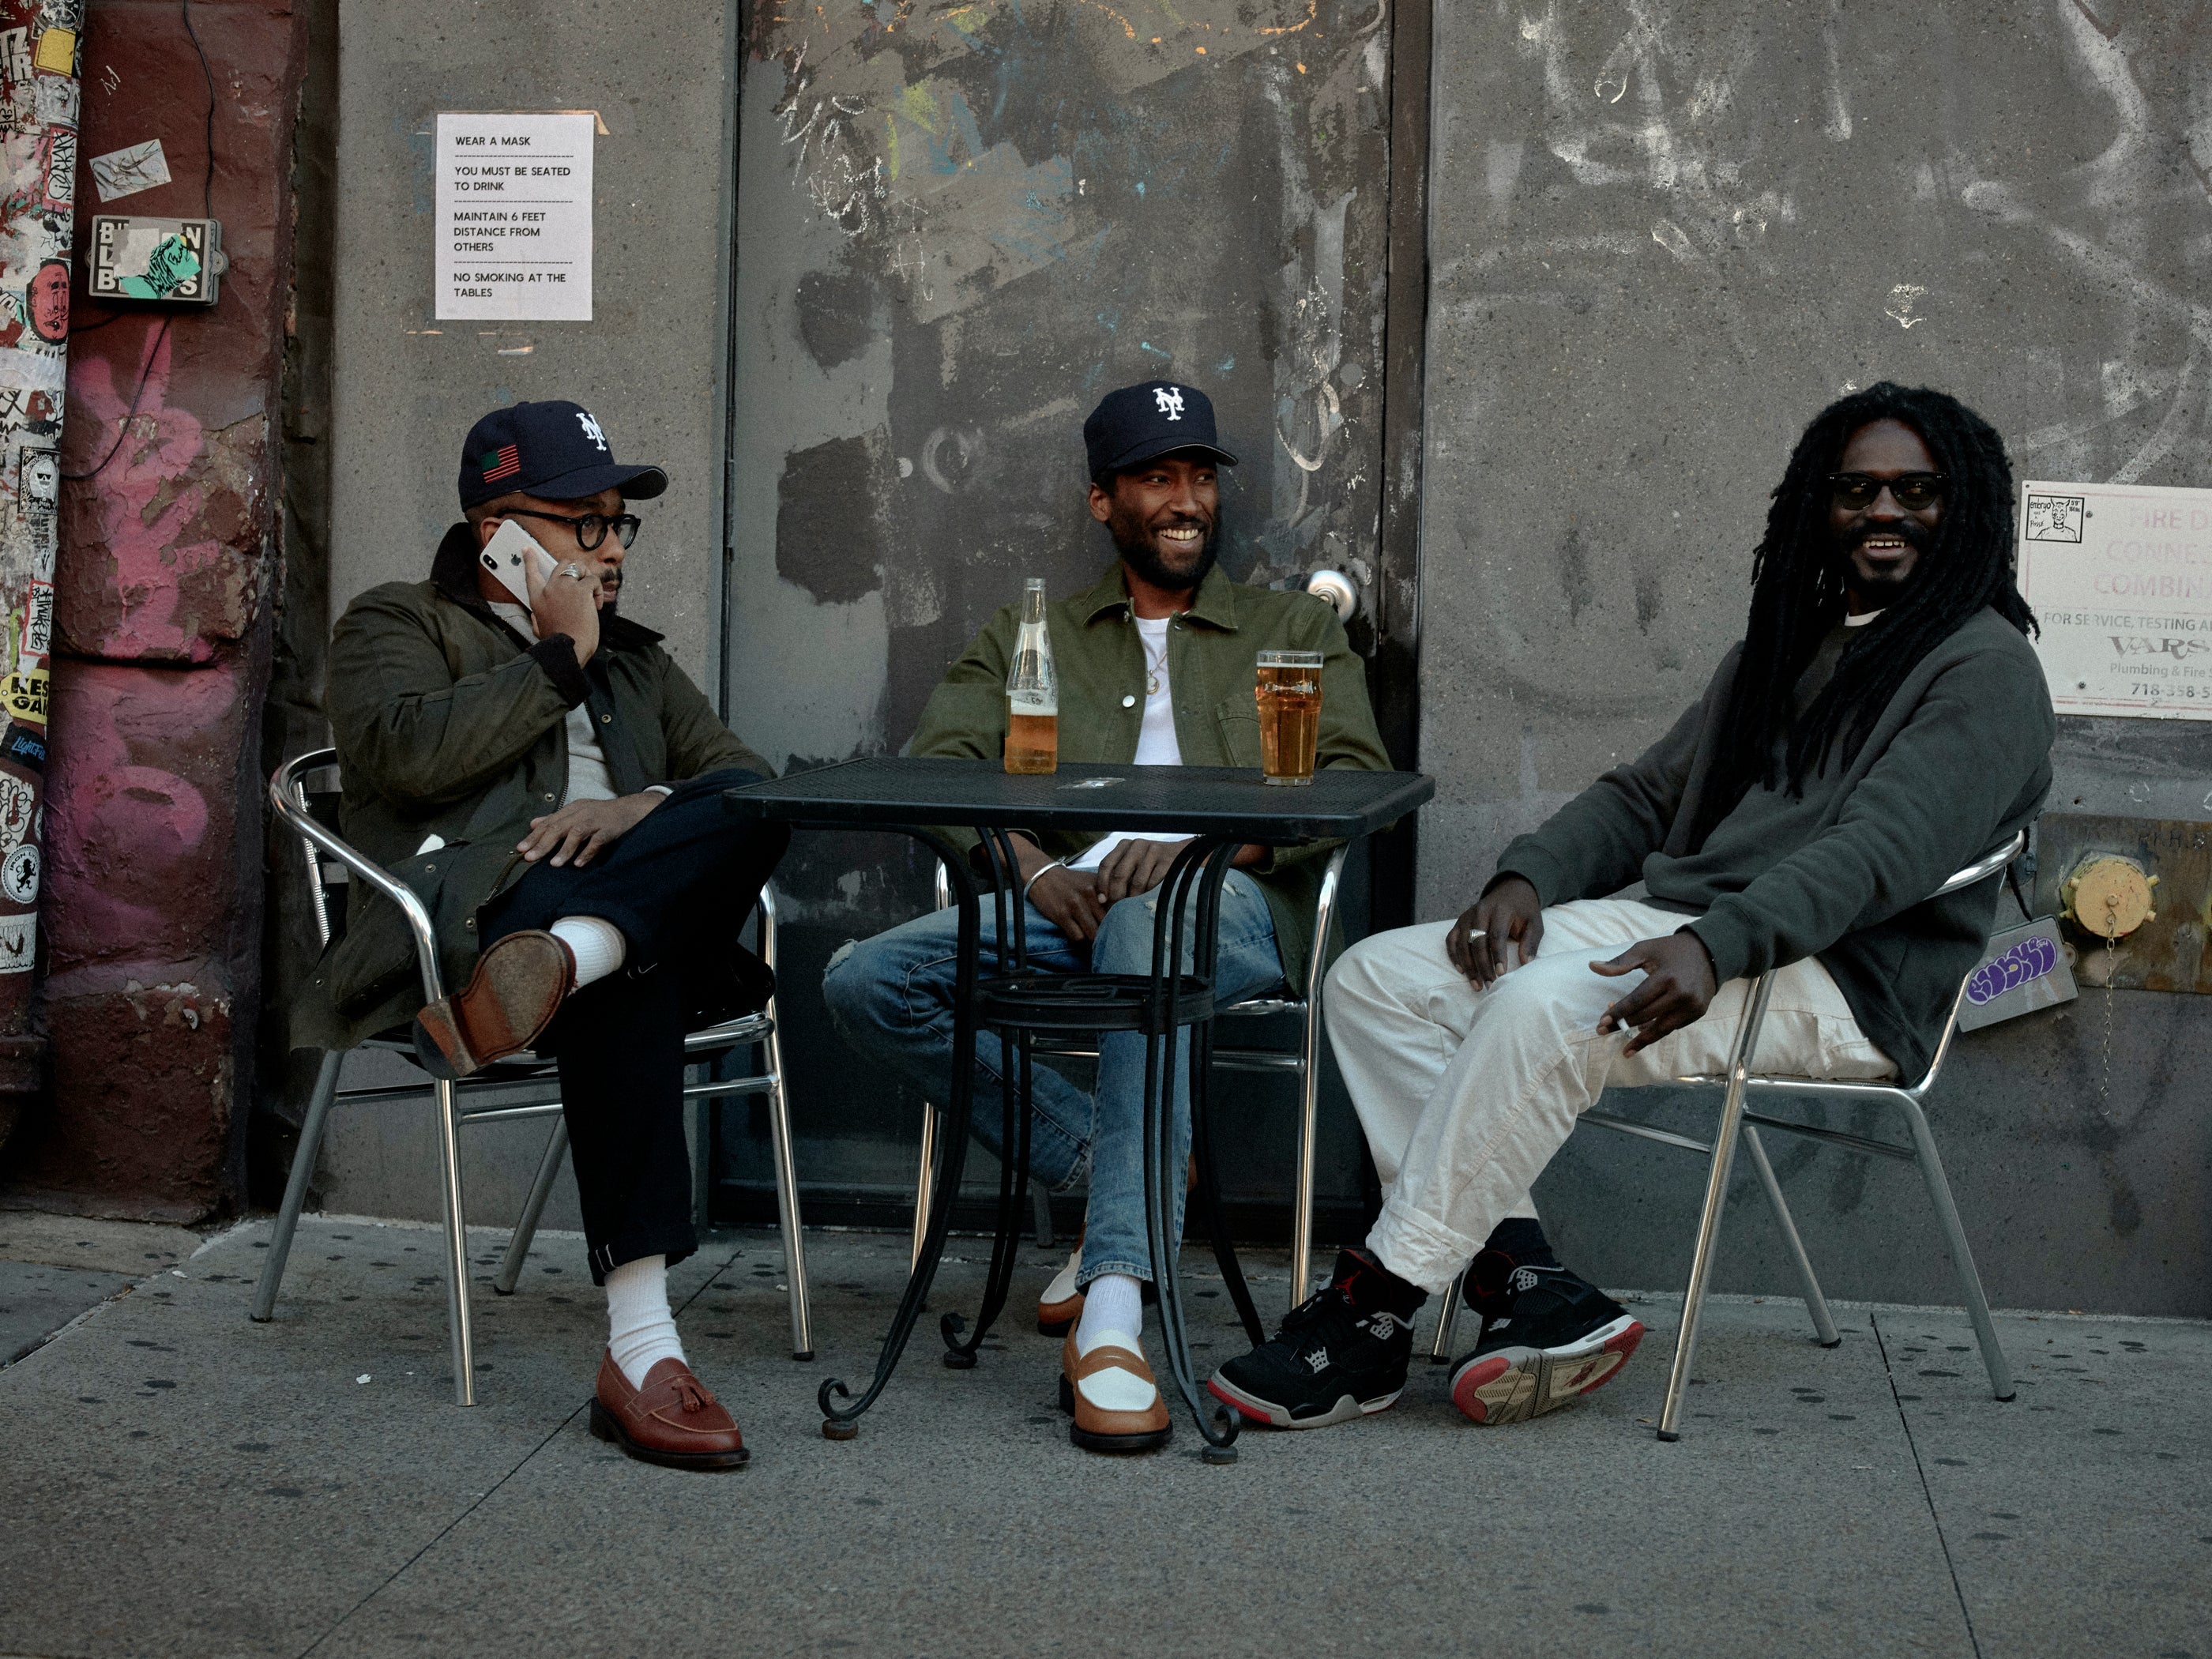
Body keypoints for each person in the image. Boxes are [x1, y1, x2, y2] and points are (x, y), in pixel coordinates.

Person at [1211, 382, 2056, 1431]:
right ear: (1818, 507)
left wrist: (1716, 944)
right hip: (1708, 933)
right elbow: (1649, 796)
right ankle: (1529, 1285)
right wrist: (1526, 877)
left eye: (1916, 491)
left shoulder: (1986, 671)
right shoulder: (1788, 646)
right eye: (1858, 490)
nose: (1883, 512)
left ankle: (1375, 1312)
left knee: (1540, 1010)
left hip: (1846, 977)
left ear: (1964, 505)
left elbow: (1874, 855)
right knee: (1378, 980)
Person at [822, 381, 1391, 1454]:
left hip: (1230, 911)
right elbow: (940, 763)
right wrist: (1030, 870)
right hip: (1067, 907)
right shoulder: (1035, 631)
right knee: (865, 981)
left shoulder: (1289, 627)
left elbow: (1354, 779)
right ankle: (1106, 1160)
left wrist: (1196, 852)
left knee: (1149, 928)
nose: (1186, 501)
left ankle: (1120, 1309)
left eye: (1199, 478)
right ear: (1102, 502)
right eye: (1155, 478)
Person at [298, 399, 788, 1472]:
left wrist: (638, 807)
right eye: (586, 524)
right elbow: (401, 759)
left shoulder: (640, 663)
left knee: (757, 809)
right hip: (472, 923)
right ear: (498, 532)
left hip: (581, 933)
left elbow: (741, 779)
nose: (612, 550)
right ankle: (644, 1349)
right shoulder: (394, 625)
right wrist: (558, 659)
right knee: (632, 959)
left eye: (621, 525)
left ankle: (579, 955)